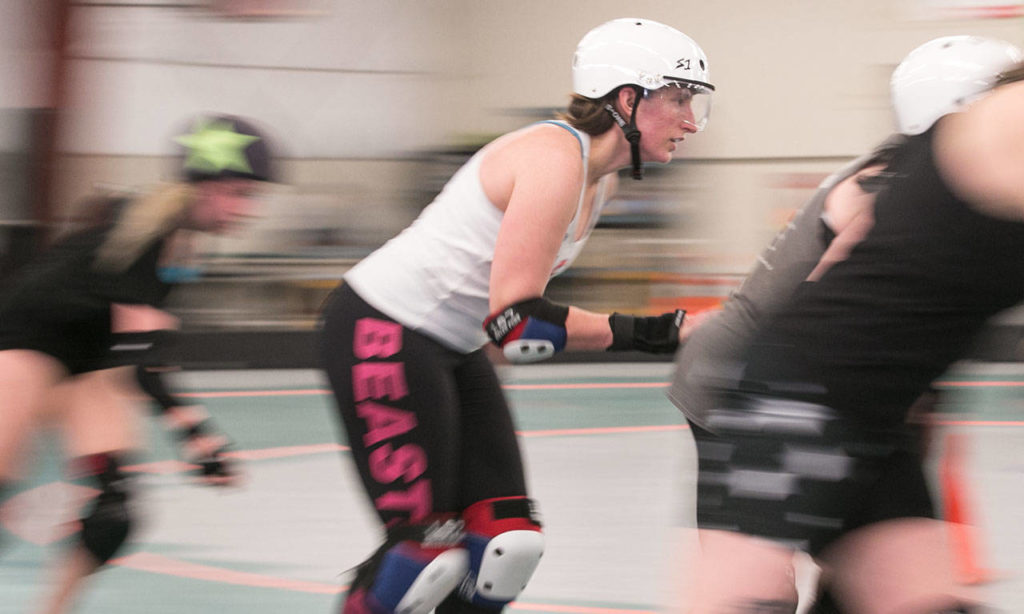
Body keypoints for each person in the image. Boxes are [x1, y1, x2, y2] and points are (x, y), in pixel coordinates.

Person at [318, 17, 714, 614]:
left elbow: (505, 333)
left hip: (449, 346)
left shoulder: (596, 180)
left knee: (506, 545)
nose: (689, 121)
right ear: (627, 99)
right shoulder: (554, 160)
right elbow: (519, 324)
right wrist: (667, 330)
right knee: (424, 555)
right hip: (382, 328)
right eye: (679, 99)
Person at [667, 35, 1023, 613]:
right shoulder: (900, 170)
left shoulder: (910, 164)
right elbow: (828, 309)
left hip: (868, 415)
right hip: (796, 405)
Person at [0, 113, 277, 614]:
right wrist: (196, 432)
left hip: (82, 367)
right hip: (21, 346)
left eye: (252, 196)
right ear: (202, 187)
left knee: (113, 514)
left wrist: (197, 434)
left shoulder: (178, 248)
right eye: (238, 193)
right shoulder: (146, 233)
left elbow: (141, 360)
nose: (247, 209)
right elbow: (144, 359)